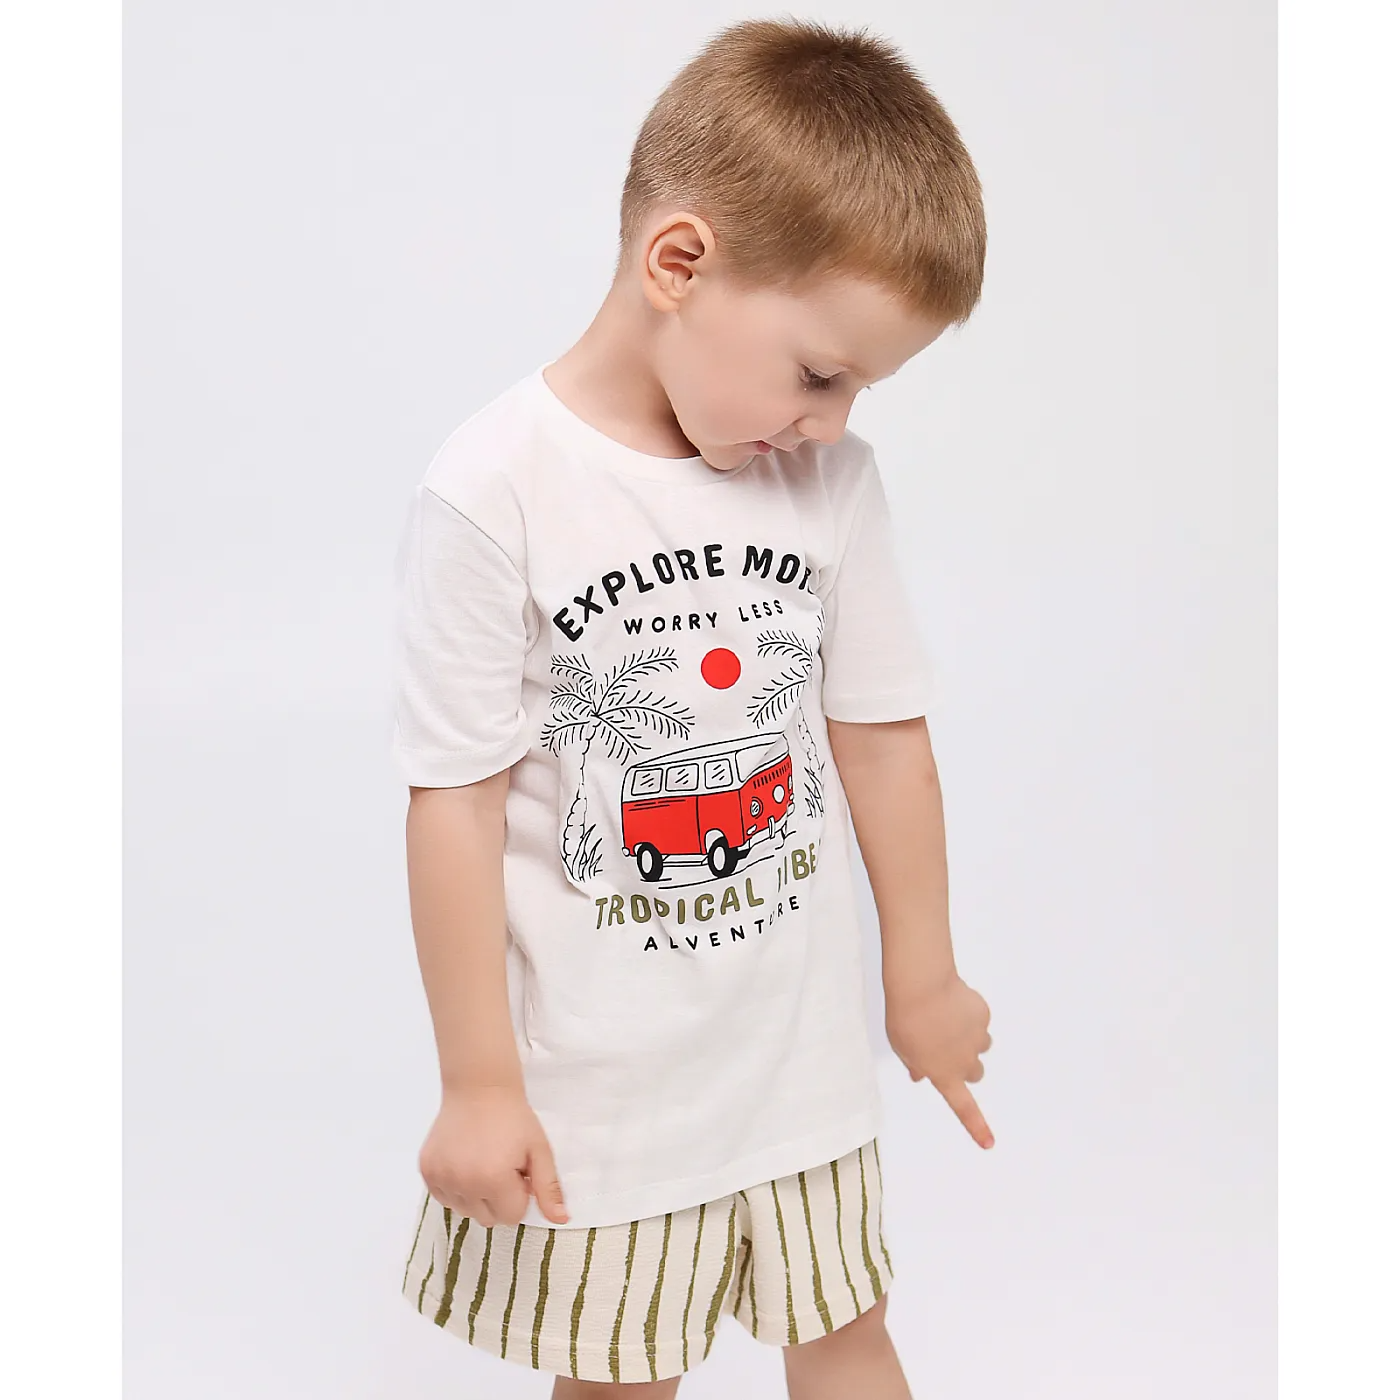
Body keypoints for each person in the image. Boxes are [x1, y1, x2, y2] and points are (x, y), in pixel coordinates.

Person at [391, 16, 994, 1398]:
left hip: (798, 1069)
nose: (833, 421)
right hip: (605, 1089)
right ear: (679, 263)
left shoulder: (828, 486)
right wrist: (479, 1081)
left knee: (848, 1335)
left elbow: (882, 742)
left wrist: (923, 974)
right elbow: (454, 804)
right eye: (821, 374)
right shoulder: (494, 490)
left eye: (861, 389)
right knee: (623, 1375)